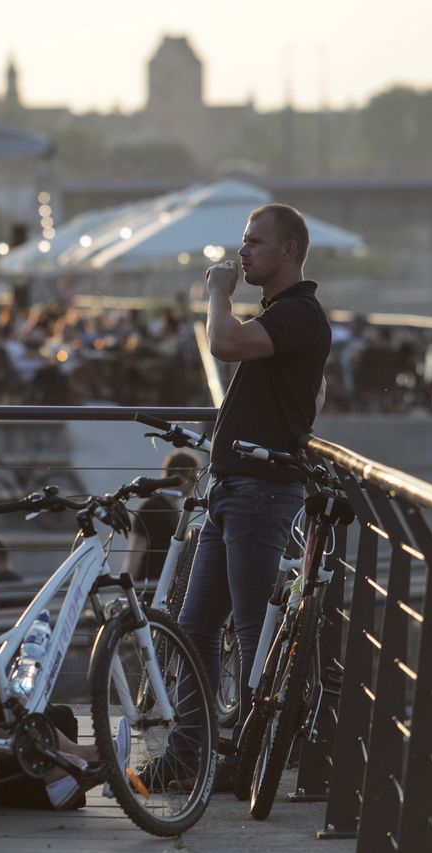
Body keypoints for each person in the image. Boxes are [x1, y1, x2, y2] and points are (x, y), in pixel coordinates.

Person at [147, 203, 331, 792]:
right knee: (195, 628)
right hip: (235, 490)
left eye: (255, 242)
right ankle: (187, 756)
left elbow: (222, 342)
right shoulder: (282, 315)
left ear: (290, 251)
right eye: (243, 241)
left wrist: (218, 292)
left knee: (254, 632)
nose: (243, 250)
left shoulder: (300, 314)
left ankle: (250, 760)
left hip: (260, 493)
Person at [121, 449, 202, 589]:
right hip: (146, 590)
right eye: (194, 478)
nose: (196, 484)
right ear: (178, 476)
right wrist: (125, 594)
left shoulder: (173, 509)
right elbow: (135, 551)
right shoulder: (153, 507)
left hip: (161, 590)